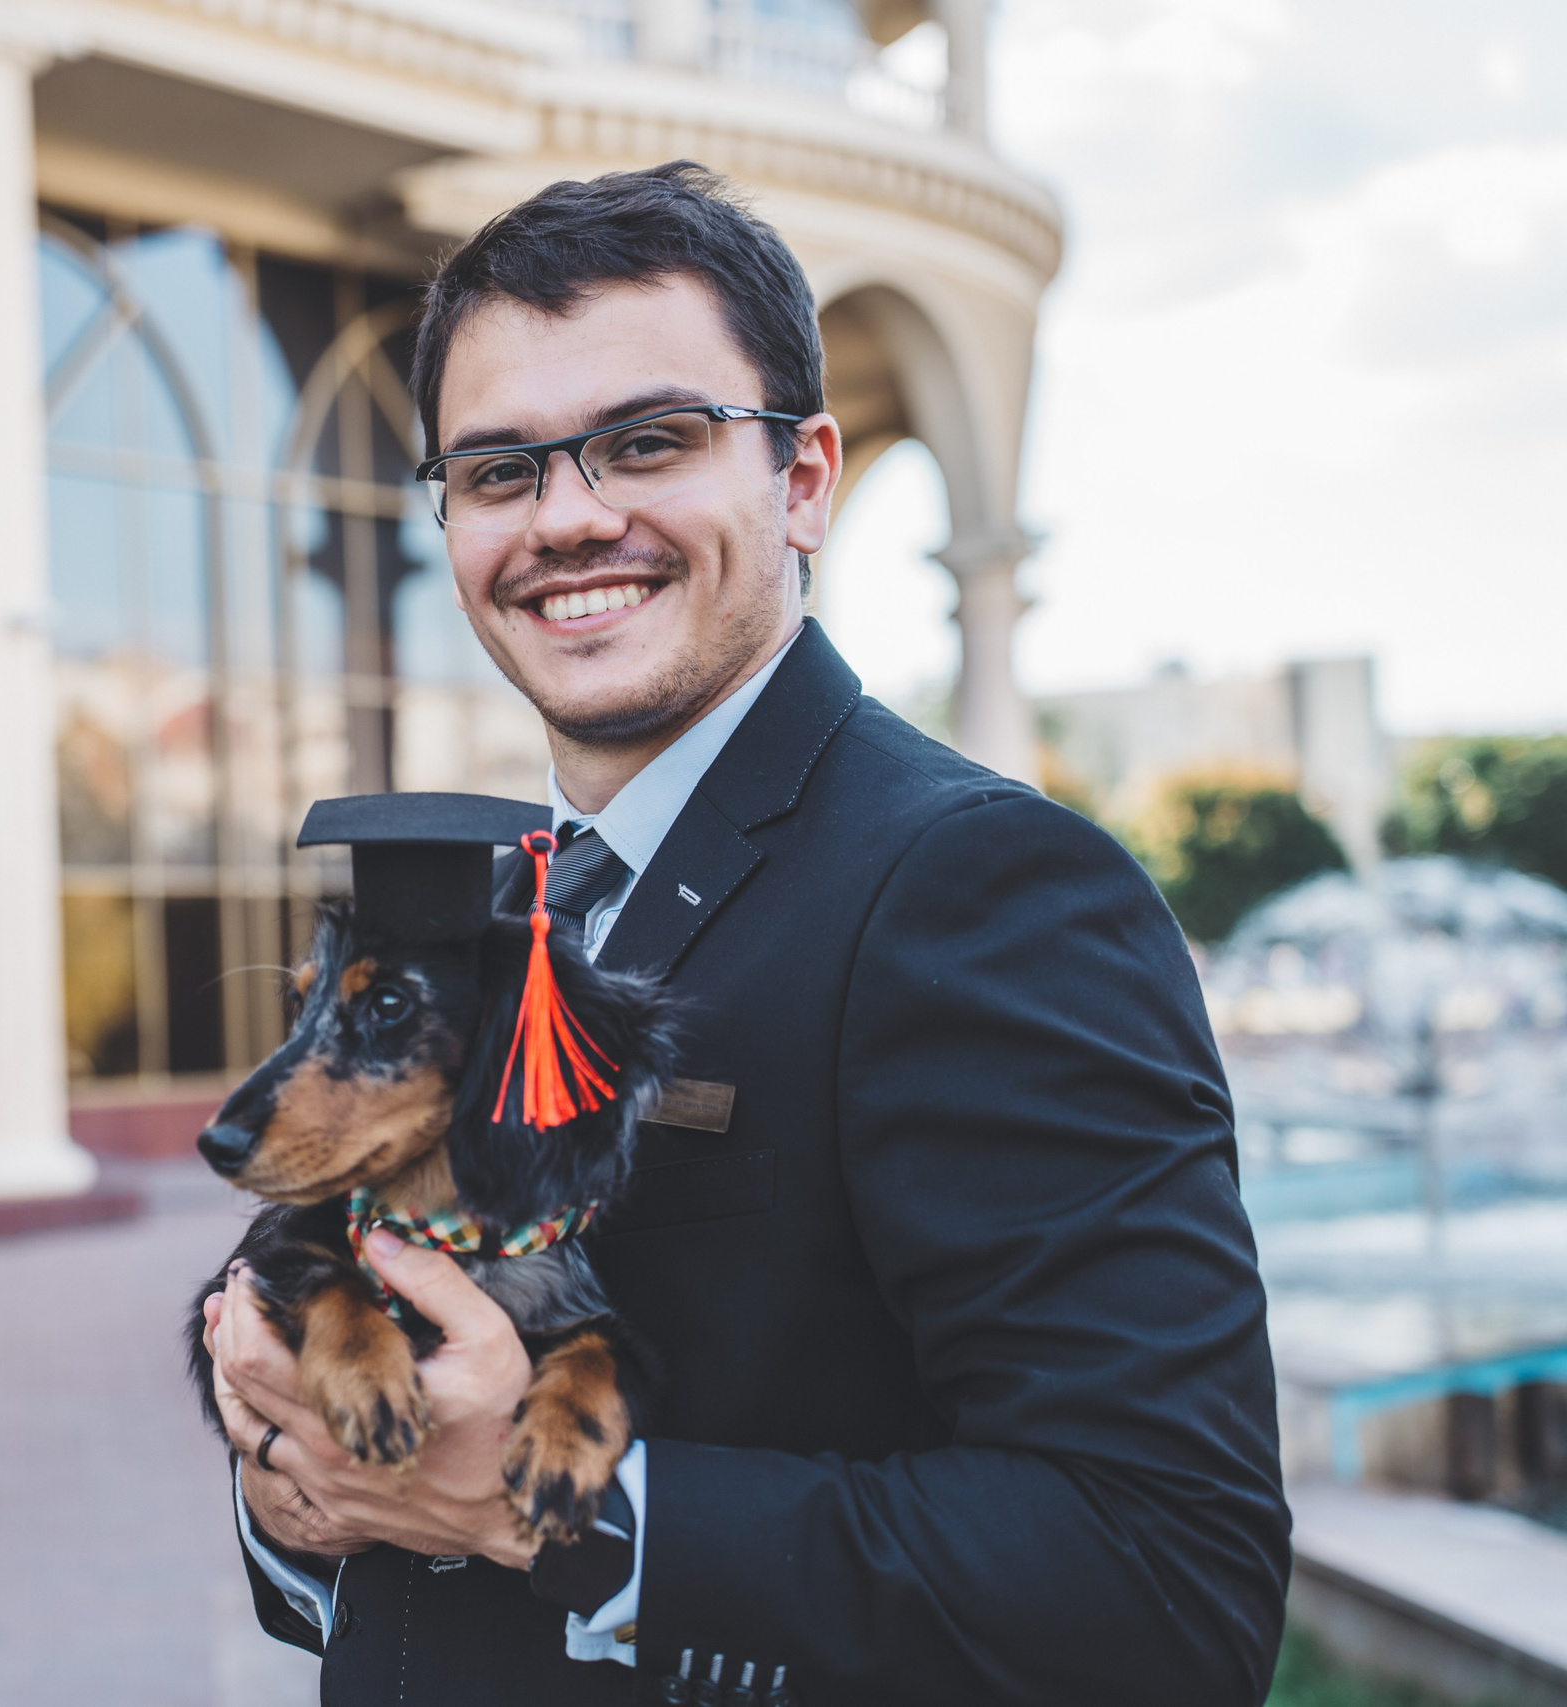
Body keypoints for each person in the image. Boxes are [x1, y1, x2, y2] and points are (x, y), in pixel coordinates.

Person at [200, 163, 1290, 1706]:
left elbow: (1168, 1582)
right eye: (500, 470)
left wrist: (559, 1515)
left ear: (804, 479)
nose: (569, 517)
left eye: (649, 441)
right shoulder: (503, 908)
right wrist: (298, 1491)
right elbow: (402, 1499)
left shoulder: (987, 887)